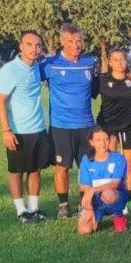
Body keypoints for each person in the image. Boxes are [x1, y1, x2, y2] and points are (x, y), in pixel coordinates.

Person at [41, 23, 99, 219]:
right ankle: (64, 205)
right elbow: (28, 76)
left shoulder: (89, 62)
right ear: (62, 42)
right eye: (71, 41)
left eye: (79, 40)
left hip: (86, 125)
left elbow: (96, 88)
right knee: (62, 167)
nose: (76, 45)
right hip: (61, 126)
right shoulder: (50, 64)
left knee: (87, 166)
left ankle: (85, 203)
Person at [0, 30, 52, 222]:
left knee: (36, 169)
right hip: (18, 130)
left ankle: (34, 209)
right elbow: (0, 100)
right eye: (29, 44)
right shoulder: (10, 70)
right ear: (20, 46)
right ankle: (21, 211)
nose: (34, 49)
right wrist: (6, 130)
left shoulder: (36, 67)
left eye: (38, 45)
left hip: (38, 128)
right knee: (17, 171)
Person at [97, 48, 131, 196]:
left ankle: (128, 199)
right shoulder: (103, 80)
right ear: (109, 62)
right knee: (109, 164)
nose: (119, 62)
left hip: (128, 126)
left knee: (129, 165)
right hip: (108, 127)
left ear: (126, 61)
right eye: (115, 60)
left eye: (122, 59)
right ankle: (108, 196)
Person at [77, 127, 129, 235]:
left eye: (106, 139)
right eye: (98, 140)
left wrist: (93, 190)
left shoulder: (119, 159)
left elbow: (115, 184)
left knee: (108, 193)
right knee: (84, 230)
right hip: (95, 201)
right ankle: (97, 216)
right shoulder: (86, 160)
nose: (103, 143)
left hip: (114, 196)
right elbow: (85, 188)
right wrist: (89, 210)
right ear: (91, 142)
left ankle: (119, 216)